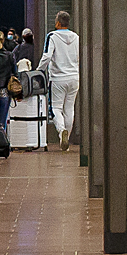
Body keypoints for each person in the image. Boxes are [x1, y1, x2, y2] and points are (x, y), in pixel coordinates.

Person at [39, 10, 80, 151]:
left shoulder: (52, 36)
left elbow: (47, 56)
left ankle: (61, 130)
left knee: (56, 108)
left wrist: (39, 71)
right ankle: (66, 140)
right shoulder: (76, 37)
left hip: (58, 78)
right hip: (74, 77)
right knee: (69, 108)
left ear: (57, 23)